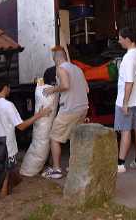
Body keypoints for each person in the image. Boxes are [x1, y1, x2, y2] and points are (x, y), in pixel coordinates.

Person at [0, 79, 51, 196]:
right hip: (6, 148)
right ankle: (2, 204)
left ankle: (15, 185)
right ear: (5, 88)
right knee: (5, 178)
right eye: (9, 87)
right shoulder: (8, 105)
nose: (10, 90)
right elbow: (21, 126)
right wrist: (39, 115)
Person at [42, 46, 89, 179]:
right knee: (75, 137)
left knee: (54, 137)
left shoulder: (61, 69)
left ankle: (56, 170)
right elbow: (86, 89)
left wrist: (53, 90)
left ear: (56, 59)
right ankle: (75, 165)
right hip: (83, 108)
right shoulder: (78, 69)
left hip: (70, 109)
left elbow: (66, 85)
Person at [115, 27, 136, 173]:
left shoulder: (129, 57)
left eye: (120, 38)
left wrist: (124, 102)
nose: (119, 40)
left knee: (125, 131)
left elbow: (129, 82)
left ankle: (120, 164)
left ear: (127, 39)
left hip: (128, 101)